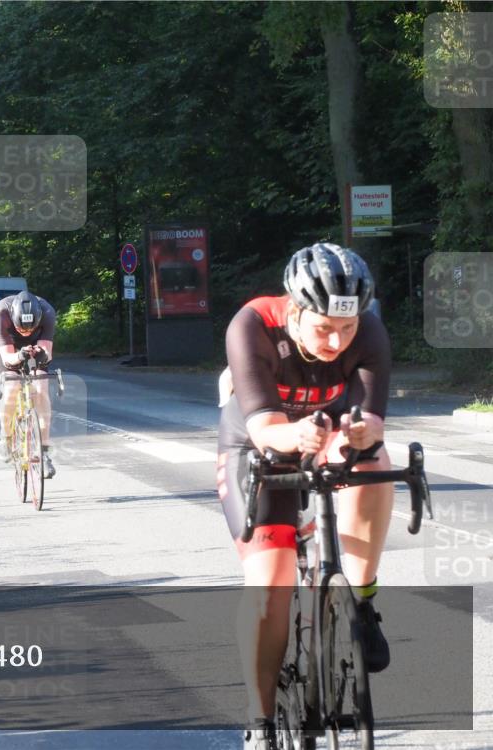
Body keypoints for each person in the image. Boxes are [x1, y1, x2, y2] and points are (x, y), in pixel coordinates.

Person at [216, 243, 392, 748]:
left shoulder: (370, 330)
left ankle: (360, 600)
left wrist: (359, 438)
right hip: (257, 441)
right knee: (270, 582)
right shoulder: (252, 325)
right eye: (323, 328)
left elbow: (371, 420)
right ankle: (261, 719)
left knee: (375, 461)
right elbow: (267, 428)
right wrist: (298, 438)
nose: (337, 340)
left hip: (327, 431)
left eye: (348, 328)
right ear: (295, 310)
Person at [0, 290, 58, 478]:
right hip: (8, 345)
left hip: (35, 345)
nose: (26, 333)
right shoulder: (0, 313)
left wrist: (41, 354)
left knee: (41, 387)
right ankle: (6, 437)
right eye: (22, 329)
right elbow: (7, 358)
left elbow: (47, 352)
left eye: (29, 329)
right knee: (11, 386)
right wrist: (20, 355)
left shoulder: (48, 313)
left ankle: (44, 453)